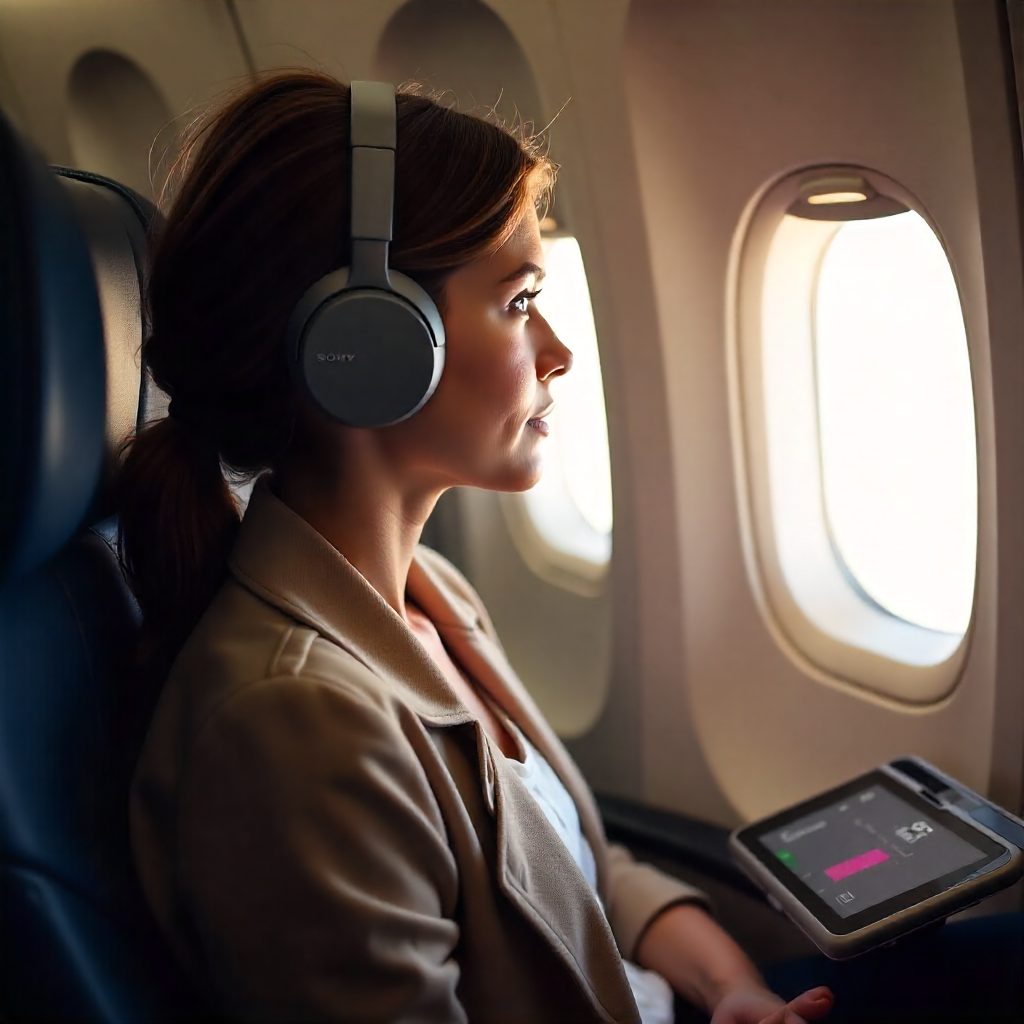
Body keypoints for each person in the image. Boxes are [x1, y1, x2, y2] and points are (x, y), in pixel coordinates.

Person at [120, 71, 833, 1024]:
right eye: (519, 300)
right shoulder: (293, 725)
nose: (559, 351)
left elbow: (580, 875)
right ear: (366, 343)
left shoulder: (428, 594)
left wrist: (732, 988)